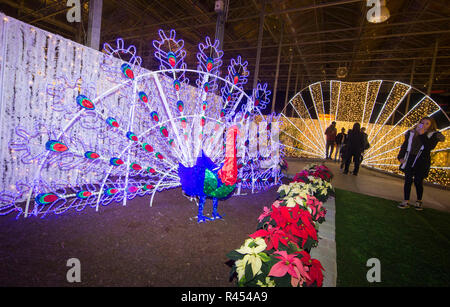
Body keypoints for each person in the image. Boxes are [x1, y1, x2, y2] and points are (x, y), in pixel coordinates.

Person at [397, 117, 445, 211]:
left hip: (422, 161)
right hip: (410, 158)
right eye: (422, 123)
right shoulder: (411, 133)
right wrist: (400, 156)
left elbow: (429, 147)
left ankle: (419, 201)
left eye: (427, 123)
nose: (424, 125)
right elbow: (405, 145)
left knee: (418, 181)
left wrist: (422, 134)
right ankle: (406, 200)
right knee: (407, 180)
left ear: (431, 125)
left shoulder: (433, 135)